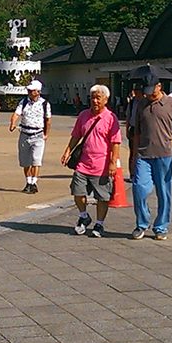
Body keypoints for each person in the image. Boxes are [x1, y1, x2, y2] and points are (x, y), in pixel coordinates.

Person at [131, 78, 172, 240]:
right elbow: (137, 132)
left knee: (164, 192)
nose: (149, 94)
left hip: (165, 154)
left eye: (152, 91)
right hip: (143, 154)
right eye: (146, 91)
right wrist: (134, 155)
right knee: (139, 188)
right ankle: (142, 223)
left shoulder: (170, 103)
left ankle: (161, 226)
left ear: (159, 86)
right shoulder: (141, 104)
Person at [61, 84, 120, 238]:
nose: (95, 101)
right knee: (77, 192)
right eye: (93, 97)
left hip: (101, 165)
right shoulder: (83, 115)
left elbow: (115, 142)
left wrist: (113, 162)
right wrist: (67, 151)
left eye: (98, 98)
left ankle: (99, 224)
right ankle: (84, 216)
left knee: (102, 197)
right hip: (83, 163)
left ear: (106, 100)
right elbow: (76, 135)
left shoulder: (111, 118)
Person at [10, 80, 51, 193]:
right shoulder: (24, 102)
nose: (29, 92)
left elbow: (48, 120)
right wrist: (13, 123)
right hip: (24, 134)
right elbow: (16, 114)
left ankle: (34, 182)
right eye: (28, 90)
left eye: (31, 90)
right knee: (25, 161)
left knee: (36, 160)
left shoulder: (44, 104)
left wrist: (46, 134)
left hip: (38, 134)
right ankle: (28, 182)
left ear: (38, 92)